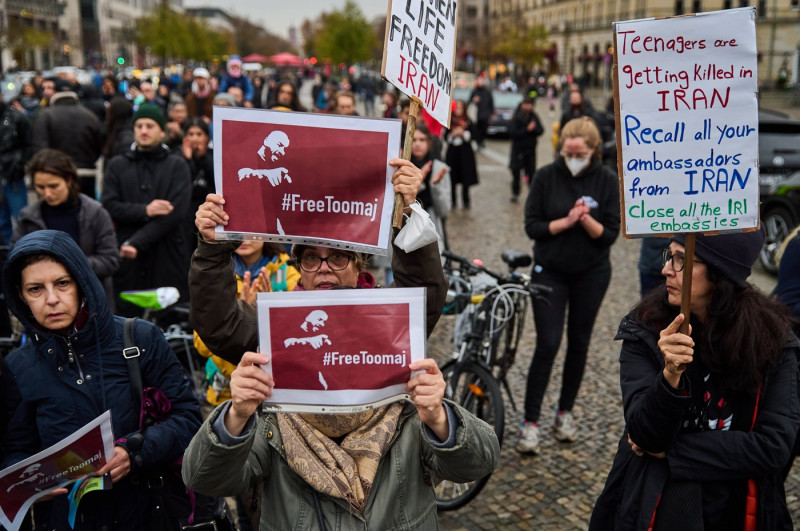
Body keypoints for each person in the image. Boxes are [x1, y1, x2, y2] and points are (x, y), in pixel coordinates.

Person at [181, 156, 499, 528]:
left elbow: (424, 292)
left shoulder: (391, 320)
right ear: (300, 267)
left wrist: (408, 212)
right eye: (312, 259)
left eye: (338, 257)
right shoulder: (278, 329)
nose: (324, 267)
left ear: (360, 263)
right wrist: (212, 246)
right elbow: (219, 324)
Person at [590, 229, 800, 530]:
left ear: (719, 272)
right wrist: (669, 377)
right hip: (655, 504)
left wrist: (673, 451)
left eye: (680, 260)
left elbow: (773, 446)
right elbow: (644, 434)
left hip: (739, 509)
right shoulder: (647, 329)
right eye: (669, 255)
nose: (665, 269)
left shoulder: (773, 339)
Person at [0, 230, 202, 530]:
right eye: (35, 289)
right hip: (67, 519)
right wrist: (28, 484)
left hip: (147, 512)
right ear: (20, 295)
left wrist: (135, 453)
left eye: (62, 283)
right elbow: (14, 449)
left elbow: (188, 418)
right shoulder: (17, 367)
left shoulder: (140, 338)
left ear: (82, 282)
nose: (52, 299)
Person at [517, 116, 620, 454]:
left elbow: (609, 234)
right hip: (550, 271)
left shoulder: (605, 181)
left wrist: (586, 219)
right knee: (547, 343)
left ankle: (565, 413)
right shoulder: (547, 177)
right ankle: (530, 422)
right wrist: (565, 221)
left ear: (593, 151)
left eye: (579, 153)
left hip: (591, 274)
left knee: (579, 342)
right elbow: (533, 226)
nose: (572, 158)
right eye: (567, 152)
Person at [101, 103, 191, 316]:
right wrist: (145, 210)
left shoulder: (176, 165)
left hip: (166, 254)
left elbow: (174, 213)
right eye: (139, 125)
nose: (143, 130)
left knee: (169, 318)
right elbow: (110, 205)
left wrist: (136, 242)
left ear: (162, 131)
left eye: (149, 126)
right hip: (129, 259)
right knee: (128, 320)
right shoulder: (117, 165)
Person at [12, 148, 119, 308]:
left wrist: (67, 264)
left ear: (69, 180)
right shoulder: (28, 217)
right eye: (40, 187)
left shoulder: (95, 213)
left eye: (53, 186)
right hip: (45, 306)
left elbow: (110, 260)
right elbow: (15, 260)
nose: (47, 193)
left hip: (91, 305)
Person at [0, 90, 32, 244]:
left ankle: (23, 252)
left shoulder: (16, 117)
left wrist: (19, 164)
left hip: (13, 175)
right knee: (2, 222)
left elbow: (28, 144)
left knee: (21, 219)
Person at [178, 117, 214, 249]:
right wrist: (188, 160)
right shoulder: (177, 157)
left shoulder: (213, 156)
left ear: (207, 137)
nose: (195, 138)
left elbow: (214, 179)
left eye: (199, 134)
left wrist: (202, 157)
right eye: (190, 134)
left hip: (207, 212)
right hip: (186, 214)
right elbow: (184, 183)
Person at [508, 95, 544, 203]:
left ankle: (532, 194)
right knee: (516, 173)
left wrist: (534, 129)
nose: (527, 107)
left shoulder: (534, 117)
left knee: (531, 173)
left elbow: (541, 130)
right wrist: (526, 130)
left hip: (530, 150)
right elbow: (512, 132)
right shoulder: (517, 117)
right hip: (518, 150)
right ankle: (515, 192)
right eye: (526, 104)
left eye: (530, 105)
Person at [444, 100, 479, 209]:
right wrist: (453, 135)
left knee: (465, 177)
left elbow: (474, 136)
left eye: (460, 108)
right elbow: (446, 137)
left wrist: (464, 133)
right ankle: (453, 201)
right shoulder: (449, 122)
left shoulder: (468, 121)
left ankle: (466, 200)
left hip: (465, 153)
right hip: (453, 153)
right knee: (452, 178)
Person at [469, 75, 494, 149]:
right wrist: (473, 100)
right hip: (476, 115)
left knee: (484, 129)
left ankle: (481, 142)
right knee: (477, 130)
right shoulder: (474, 91)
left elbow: (491, 103)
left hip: (485, 114)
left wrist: (490, 112)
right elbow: (469, 102)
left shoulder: (487, 92)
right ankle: (477, 142)